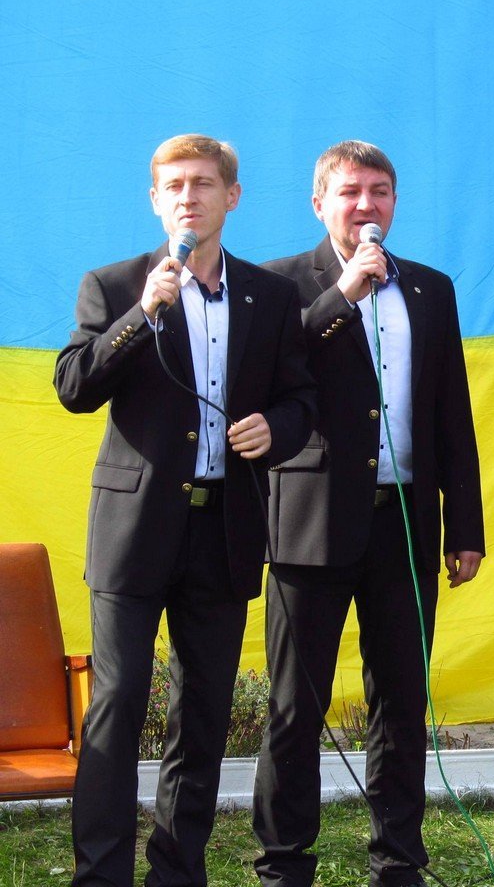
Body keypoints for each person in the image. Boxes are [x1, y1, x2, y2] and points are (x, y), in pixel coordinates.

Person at [54, 134, 315, 887]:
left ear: (231, 197)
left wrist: (277, 430)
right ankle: (101, 874)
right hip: (134, 533)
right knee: (118, 701)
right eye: (173, 185)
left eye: (203, 183)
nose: (188, 197)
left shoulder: (270, 295)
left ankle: (177, 870)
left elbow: (300, 399)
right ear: (155, 200)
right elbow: (74, 387)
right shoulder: (113, 285)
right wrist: (141, 316)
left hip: (224, 528)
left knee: (202, 711)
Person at [253, 140, 485, 887]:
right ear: (319, 202)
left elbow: (452, 412)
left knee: (402, 703)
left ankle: (398, 860)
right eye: (350, 192)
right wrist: (344, 295)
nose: (366, 205)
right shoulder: (279, 284)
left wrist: (465, 525)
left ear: (394, 201)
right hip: (310, 523)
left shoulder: (431, 289)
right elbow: (268, 372)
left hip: (405, 523)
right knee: (297, 704)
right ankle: (284, 862)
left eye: (379, 191)